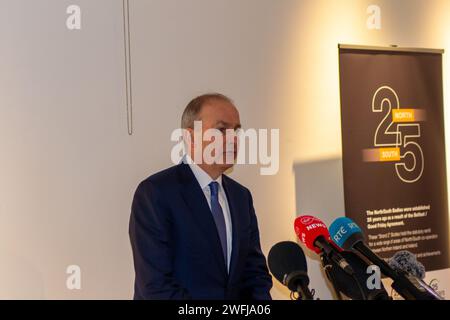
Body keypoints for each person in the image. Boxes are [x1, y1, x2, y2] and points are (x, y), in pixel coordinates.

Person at [129, 93, 272, 299]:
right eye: (222, 130)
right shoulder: (156, 193)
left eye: (236, 131)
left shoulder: (241, 197)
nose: (232, 139)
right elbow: (156, 286)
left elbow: (255, 275)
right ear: (191, 137)